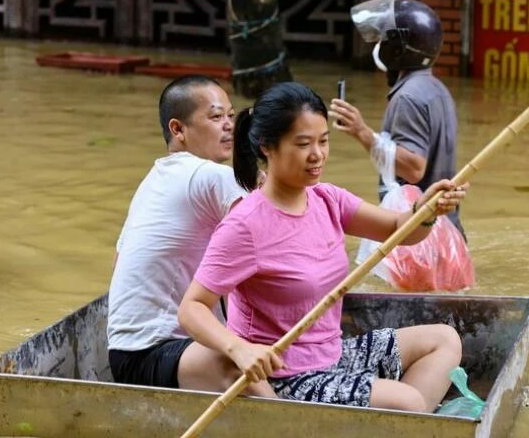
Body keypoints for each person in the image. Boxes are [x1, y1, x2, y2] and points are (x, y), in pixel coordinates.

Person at [178, 82, 468, 412]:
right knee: (408, 401)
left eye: (323, 141)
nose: (317, 155)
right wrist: (238, 349)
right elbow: (192, 308)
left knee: (445, 340)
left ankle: (399, 427)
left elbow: (399, 230)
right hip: (286, 376)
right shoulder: (245, 224)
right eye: (303, 144)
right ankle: (405, 419)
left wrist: (426, 211)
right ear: (267, 147)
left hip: (334, 353)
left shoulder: (327, 198)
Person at [107, 75, 275, 397]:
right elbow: (271, 245)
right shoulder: (213, 175)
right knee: (239, 366)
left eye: (230, 115)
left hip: (123, 354)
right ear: (178, 130)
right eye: (214, 117)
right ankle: (294, 431)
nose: (228, 126)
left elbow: (117, 265)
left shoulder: (152, 180)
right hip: (154, 351)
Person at [329, 0, 465, 238]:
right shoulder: (438, 89)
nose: (380, 44)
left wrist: (361, 132)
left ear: (398, 48)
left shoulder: (407, 97)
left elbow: (413, 169)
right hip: (447, 233)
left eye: (384, 38)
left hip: (420, 237)